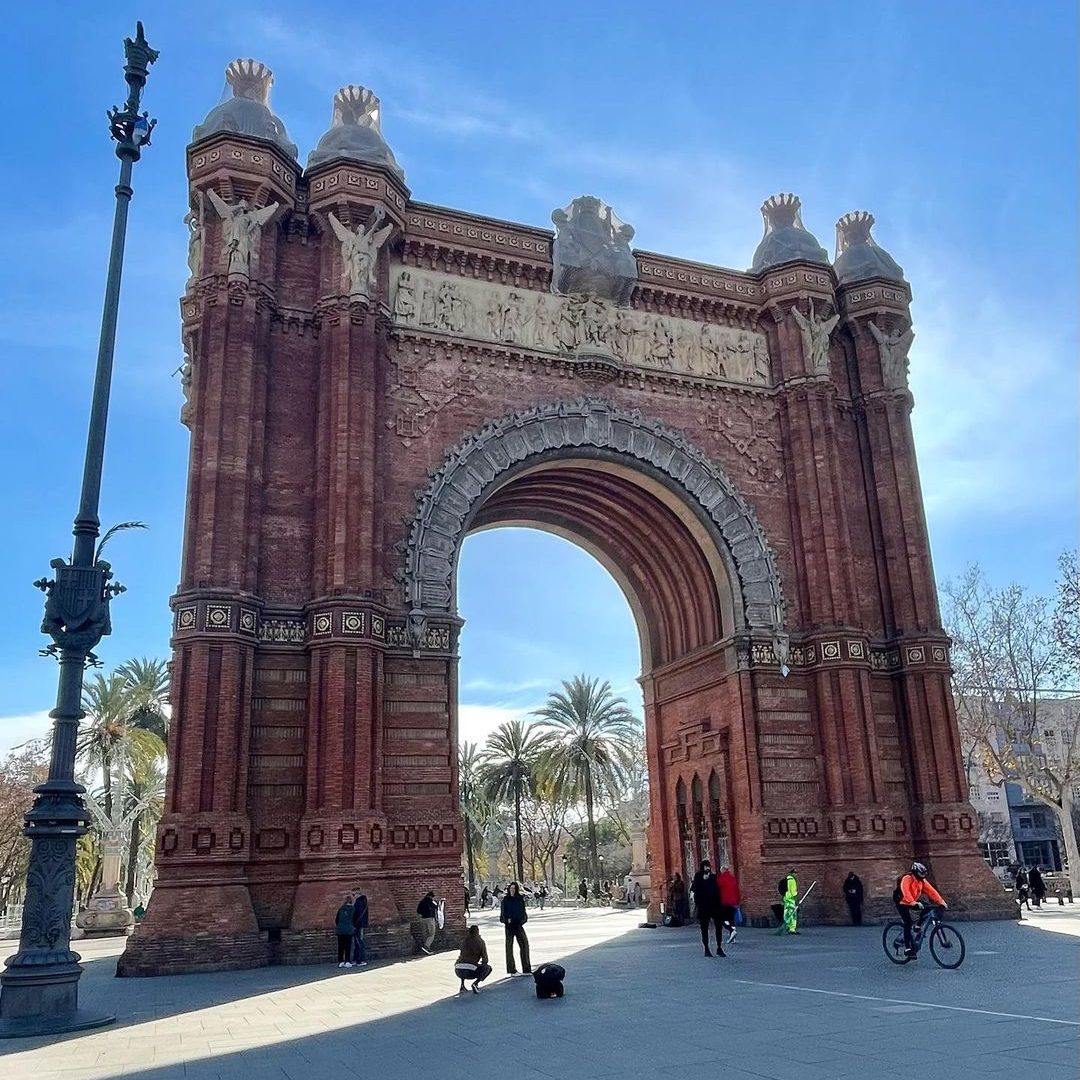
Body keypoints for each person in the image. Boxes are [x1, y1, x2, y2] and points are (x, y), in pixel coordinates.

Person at [894, 861, 947, 959]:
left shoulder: (922, 881)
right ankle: (908, 948)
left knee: (928, 907)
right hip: (902, 901)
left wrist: (941, 901)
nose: (923, 876)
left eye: (924, 874)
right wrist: (913, 903)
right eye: (921, 874)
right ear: (915, 872)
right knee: (908, 922)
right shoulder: (907, 878)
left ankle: (918, 926)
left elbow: (931, 891)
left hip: (913, 900)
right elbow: (905, 892)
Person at [689, 859, 727, 957]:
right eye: (705, 867)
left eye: (708, 866)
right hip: (704, 906)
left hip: (715, 905)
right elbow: (694, 889)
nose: (707, 869)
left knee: (718, 926)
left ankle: (719, 946)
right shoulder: (698, 877)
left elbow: (718, 890)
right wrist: (703, 880)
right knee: (704, 927)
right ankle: (706, 948)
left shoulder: (713, 877)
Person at [500, 881, 532, 975]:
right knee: (509, 947)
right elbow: (502, 914)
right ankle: (511, 969)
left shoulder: (520, 899)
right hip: (509, 926)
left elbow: (523, 911)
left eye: (514, 889)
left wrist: (522, 921)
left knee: (524, 945)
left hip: (518, 925)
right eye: (511, 889)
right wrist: (506, 920)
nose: (512, 890)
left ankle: (526, 969)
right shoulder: (505, 900)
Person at [454, 925, 492, 994]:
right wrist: (482, 964)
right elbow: (485, 959)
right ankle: (475, 983)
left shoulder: (464, 940)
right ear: (477, 932)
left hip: (458, 969)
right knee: (488, 968)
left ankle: (462, 985)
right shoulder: (480, 942)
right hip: (470, 971)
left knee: (464, 963)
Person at [717, 864, 741, 944]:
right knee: (731, 919)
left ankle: (731, 930)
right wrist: (737, 901)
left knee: (722, 919)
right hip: (733, 902)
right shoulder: (733, 879)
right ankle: (732, 936)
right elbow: (737, 890)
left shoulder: (721, 879)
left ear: (723, 870)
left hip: (724, 902)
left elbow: (717, 891)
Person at [335, 893, 355, 968]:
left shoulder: (341, 909)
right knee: (348, 946)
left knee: (340, 946)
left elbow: (336, 920)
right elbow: (354, 919)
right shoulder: (353, 909)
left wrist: (339, 926)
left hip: (340, 930)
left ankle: (340, 961)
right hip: (349, 930)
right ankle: (347, 961)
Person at [417, 890, 439, 954]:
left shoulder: (422, 902)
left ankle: (425, 947)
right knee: (432, 933)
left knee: (425, 933)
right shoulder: (431, 902)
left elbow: (418, 911)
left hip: (423, 919)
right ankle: (426, 946)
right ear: (431, 896)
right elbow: (436, 907)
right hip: (430, 918)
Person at [352, 891, 369, 966]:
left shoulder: (359, 902)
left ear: (357, 894)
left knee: (359, 942)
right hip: (360, 924)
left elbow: (356, 914)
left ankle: (360, 960)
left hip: (358, 925)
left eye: (353, 894)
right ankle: (357, 959)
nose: (353, 896)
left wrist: (354, 923)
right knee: (358, 942)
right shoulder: (363, 901)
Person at [780, 869, 799, 935]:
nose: (796, 875)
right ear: (792, 873)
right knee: (793, 915)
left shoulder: (785, 880)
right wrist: (796, 900)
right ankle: (792, 929)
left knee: (787, 914)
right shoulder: (792, 881)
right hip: (791, 899)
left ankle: (787, 927)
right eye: (795, 873)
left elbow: (782, 890)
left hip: (786, 899)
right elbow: (793, 892)